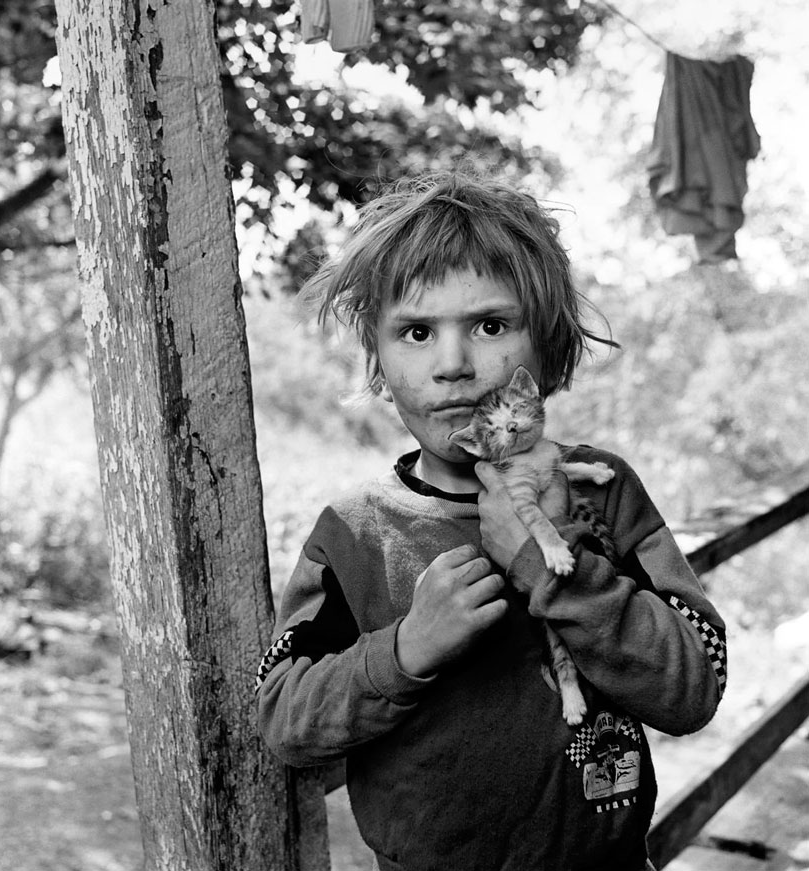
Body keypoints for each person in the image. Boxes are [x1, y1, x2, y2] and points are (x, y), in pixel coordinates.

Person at [255, 170, 727, 871]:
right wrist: (406, 649)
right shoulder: (356, 533)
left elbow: (694, 683)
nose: (453, 364)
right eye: (415, 331)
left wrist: (559, 568)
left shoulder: (603, 491)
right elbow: (283, 716)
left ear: (548, 343)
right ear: (379, 360)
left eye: (490, 324)